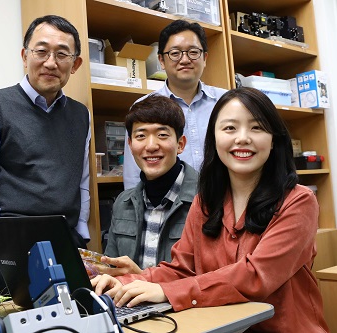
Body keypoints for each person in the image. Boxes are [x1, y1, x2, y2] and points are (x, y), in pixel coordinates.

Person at [92, 87, 329, 332]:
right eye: (229, 128)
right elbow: (182, 268)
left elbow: (256, 276)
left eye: (256, 127)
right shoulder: (205, 201)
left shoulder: (299, 201)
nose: (242, 138)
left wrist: (167, 291)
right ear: (214, 139)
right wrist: (124, 283)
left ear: (274, 141)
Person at [0, 15, 91, 295]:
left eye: (62, 54)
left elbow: (81, 180)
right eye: (41, 51)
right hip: (9, 244)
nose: (50, 62)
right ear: (25, 56)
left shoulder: (82, 115)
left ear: (75, 64)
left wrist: (81, 234)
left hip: (65, 242)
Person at [100, 95, 198, 277]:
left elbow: (212, 278)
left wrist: (146, 280)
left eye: (162, 135)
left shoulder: (207, 198)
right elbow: (112, 270)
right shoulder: (123, 202)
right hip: (130, 304)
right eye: (141, 136)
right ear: (130, 145)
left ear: (180, 144)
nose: (151, 146)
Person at [123, 20, 227, 189]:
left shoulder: (227, 102)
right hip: (168, 207)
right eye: (175, 53)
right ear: (161, 61)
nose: (185, 59)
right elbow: (133, 175)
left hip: (225, 202)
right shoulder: (144, 107)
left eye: (193, 52)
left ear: (205, 58)